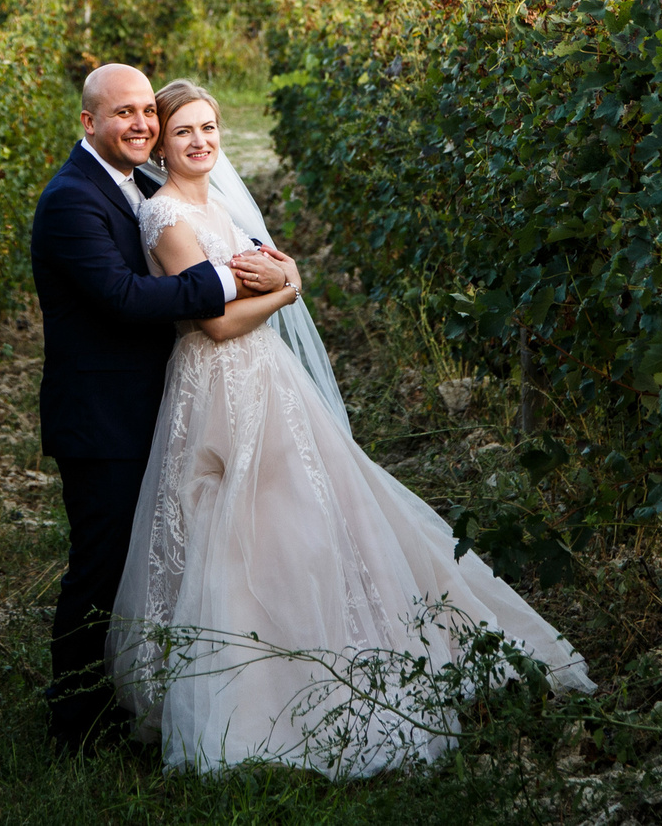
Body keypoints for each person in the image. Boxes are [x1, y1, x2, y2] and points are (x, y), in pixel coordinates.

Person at [109, 79, 595, 774]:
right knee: (226, 516)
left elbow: (262, 281)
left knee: (308, 508)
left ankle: (328, 650)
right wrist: (287, 289)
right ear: (162, 138)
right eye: (184, 129)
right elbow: (215, 323)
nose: (201, 141)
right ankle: (242, 694)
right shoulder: (164, 215)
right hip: (217, 378)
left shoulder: (218, 202)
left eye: (210, 127)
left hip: (267, 374)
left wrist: (282, 280)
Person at [28, 63, 291, 756]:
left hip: (149, 401)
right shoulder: (70, 200)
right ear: (89, 123)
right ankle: (75, 720)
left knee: (148, 553)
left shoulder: (132, 181)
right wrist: (233, 274)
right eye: (124, 113)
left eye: (148, 109)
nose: (141, 123)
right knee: (100, 563)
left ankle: (141, 688)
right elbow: (123, 297)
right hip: (101, 416)